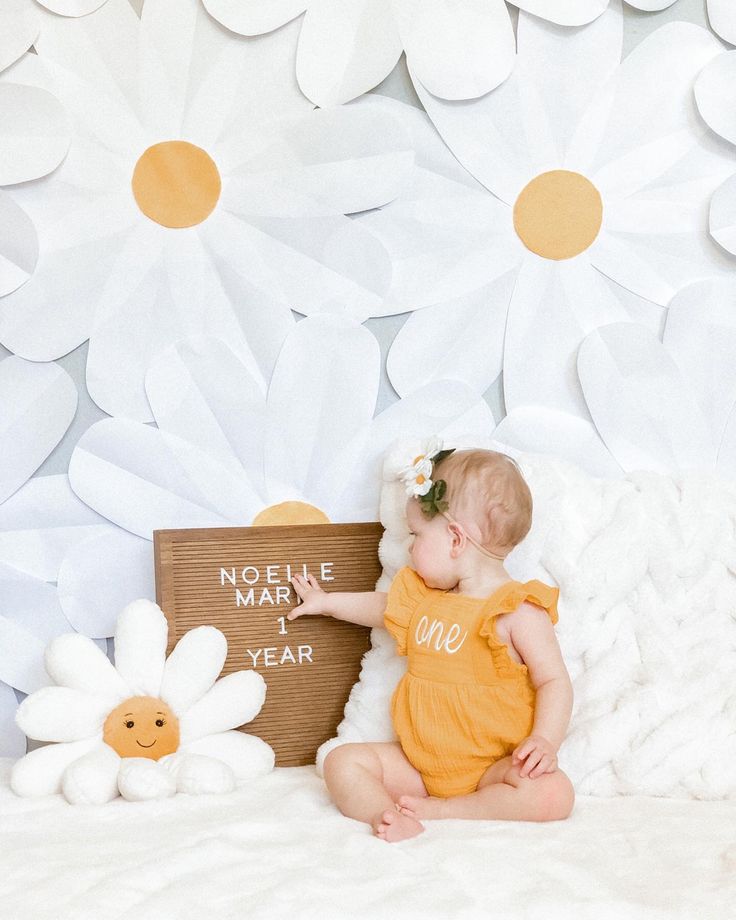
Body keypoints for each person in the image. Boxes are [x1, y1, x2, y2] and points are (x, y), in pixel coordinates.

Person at [288, 444, 575, 843]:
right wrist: (327, 603)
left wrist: (545, 740)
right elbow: (381, 608)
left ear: (456, 540)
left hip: (492, 769)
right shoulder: (424, 599)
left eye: (417, 535)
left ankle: (446, 810)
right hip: (420, 765)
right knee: (342, 761)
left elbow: (554, 681)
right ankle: (386, 814)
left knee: (554, 794)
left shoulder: (517, 610)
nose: (409, 548)